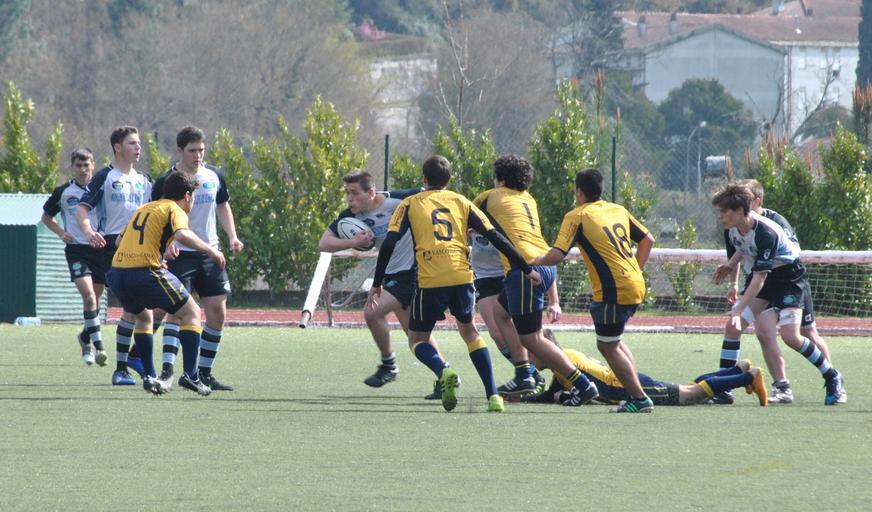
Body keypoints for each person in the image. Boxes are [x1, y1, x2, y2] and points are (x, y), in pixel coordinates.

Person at [366, 155, 542, 413]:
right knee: (470, 333)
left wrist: (377, 283)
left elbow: (390, 243)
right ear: (449, 179)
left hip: (431, 279)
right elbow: (496, 237)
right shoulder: (462, 202)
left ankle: (443, 371)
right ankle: (493, 396)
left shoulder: (410, 203)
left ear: (424, 179)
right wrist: (526, 268)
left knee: (417, 339)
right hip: (462, 277)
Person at [473, 155, 598, 406]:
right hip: (545, 264)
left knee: (533, 339)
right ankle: (524, 375)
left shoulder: (488, 197)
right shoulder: (528, 198)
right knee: (500, 314)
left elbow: (463, 218)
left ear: (500, 179)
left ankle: (583, 385)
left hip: (524, 270)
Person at [533, 168, 656, 413]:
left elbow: (557, 255)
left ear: (579, 191)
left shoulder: (577, 216)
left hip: (613, 289)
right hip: (634, 283)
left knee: (608, 346)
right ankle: (632, 390)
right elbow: (648, 239)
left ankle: (639, 398)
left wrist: (533, 260)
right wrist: (634, 270)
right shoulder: (617, 209)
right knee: (614, 342)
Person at [710, 184, 844, 406]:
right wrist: (730, 265)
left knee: (791, 336)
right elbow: (743, 246)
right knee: (733, 328)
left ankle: (832, 376)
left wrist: (738, 307)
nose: (721, 216)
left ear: (740, 210)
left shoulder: (767, 231)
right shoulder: (732, 229)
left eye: (724, 211)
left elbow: (759, 278)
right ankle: (723, 389)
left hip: (789, 280)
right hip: (764, 279)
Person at [319, 170, 447, 393]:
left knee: (372, 312)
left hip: (412, 272)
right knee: (416, 336)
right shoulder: (352, 216)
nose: (349, 198)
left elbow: (437, 193)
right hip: (392, 274)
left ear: (371, 192)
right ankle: (446, 375)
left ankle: (389, 365)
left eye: (354, 193)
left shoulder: (401, 199)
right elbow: (324, 243)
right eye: (347, 193)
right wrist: (353, 242)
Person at [106, 171, 225, 396]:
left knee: (144, 317)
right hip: (144, 273)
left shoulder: (145, 208)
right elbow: (182, 235)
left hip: (118, 274)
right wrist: (211, 250)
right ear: (187, 196)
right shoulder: (174, 209)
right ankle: (191, 375)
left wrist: (156, 252)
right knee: (191, 312)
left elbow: (120, 241)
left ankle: (150, 376)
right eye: (193, 197)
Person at [150, 127, 244, 392]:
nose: (198, 155)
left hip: (210, 253)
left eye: (201, 150)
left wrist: (233, 236)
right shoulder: (167, 181)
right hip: (180, 254)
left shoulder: (214, 176)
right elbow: (156, 216)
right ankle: (167, 372)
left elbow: (222, 205)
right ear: (179, 150)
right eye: (192, 150)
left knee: (217, 313)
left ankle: (203, 373)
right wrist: (166, 246)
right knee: (176, 311)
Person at [76, 126, 152, 386]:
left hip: (142, 249)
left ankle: (128, 365)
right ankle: (126, 368)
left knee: (141, 311)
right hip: (114, 247)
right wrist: (89, 232)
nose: (138, 147)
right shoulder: (105, 177)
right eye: (132, 143)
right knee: (136, 309)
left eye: (139, 143)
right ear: (118, 148)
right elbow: (82, 210)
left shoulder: (145, 180)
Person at [522, 329, 768, 407]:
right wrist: (520, 398)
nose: (529, 357)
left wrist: (565, 398)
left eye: (532, 351)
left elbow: (587, 393)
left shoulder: (564, 362)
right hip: (623, 384)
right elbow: (550, 395)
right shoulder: (561, 363)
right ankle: (737, 370)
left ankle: (748, 377)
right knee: (690, 387)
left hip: (626, 387)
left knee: (692, 395)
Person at [42, 148, 108, 366]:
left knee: (95, 300)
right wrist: (61, 233)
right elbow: (46, 217)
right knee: (88, 297)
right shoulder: (64, 192)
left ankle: (84, 338)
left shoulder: (102, 188)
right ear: (72, 166)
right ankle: (99, 348)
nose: (82, 169)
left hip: (100, 249)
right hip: (76, 250)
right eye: (78, 165)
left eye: (86, 165)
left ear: (93, 165)